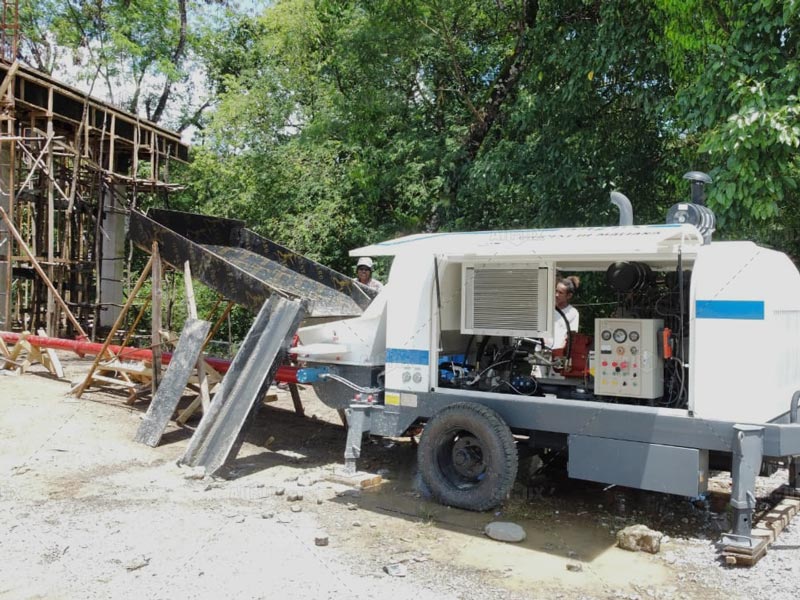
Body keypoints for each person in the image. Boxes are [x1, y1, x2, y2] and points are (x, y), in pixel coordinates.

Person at [551, 275, 580, 350]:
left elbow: (571, 336)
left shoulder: (573, 313)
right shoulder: (547, 308)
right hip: (540, 351)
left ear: (569, 296)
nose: (556, 295)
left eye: (560, 293)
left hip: (559, 353)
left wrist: (562, 350)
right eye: (556, 291)